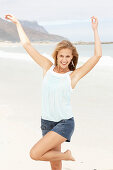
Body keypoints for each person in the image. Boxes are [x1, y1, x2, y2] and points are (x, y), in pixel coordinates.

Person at [5, 14, 102, 170]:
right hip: (46, 123)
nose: (64, 59)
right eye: (61, 56)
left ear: (72, 58)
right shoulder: (47, 67)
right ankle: (63, 158)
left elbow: (97, 56)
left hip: (64, 123)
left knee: (35, 154)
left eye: (68, 57)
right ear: (56, 56)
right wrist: (17, 23)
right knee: (55, 166)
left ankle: (67, 155)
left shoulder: (73, 76)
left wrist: (95, 30)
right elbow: (27, 45)